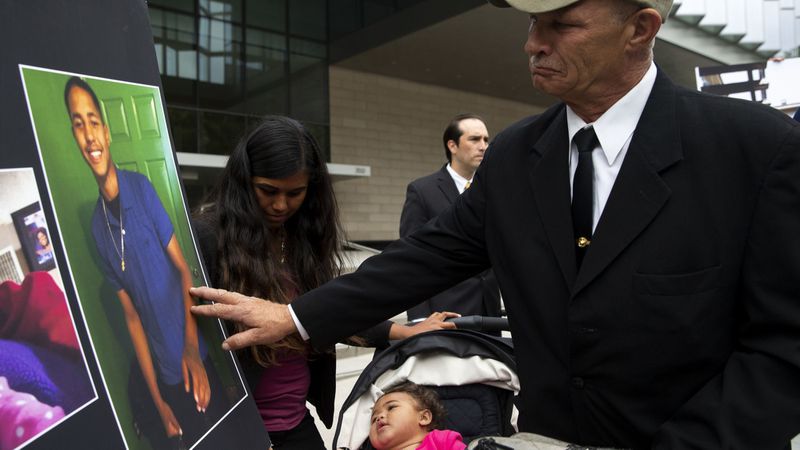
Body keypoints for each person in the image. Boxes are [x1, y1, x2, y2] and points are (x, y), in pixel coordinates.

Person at [191, 0, 800, 446]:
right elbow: (424, 257)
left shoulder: (754, 150)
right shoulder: (513, 158)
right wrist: (293, 317)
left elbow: (782, 346)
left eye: (561, 23)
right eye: (530, 24)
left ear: (640, 28)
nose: (533, 43)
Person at [192, 115, 457, 450]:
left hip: (297, 419)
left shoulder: (302, 236)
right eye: (267, 190)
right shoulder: (207, 236)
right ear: (244, 180)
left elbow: (324, 309)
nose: (280, 205)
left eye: (295, 193)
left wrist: (402, 331)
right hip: (238, 424)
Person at [64, 76, 226, 448]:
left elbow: (183, 269)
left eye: (93, 122)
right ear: (76, 138)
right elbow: (132, 318)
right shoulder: (96, 228)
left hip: (195, 354)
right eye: (78, 124)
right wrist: (158, 403)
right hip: (166, 376)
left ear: (105, 133)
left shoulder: (142, 189)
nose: (88, 135)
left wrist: (190, 350)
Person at [400, 114, 501, 323]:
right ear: (452, 146)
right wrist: (419, 320)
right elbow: (411, 259)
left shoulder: (495, 190)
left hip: (489, 311)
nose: (483, 146)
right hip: (444, 313)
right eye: (474, 139)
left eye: (485, 139)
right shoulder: (422, 191)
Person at [369, 382, 465, 450]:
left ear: (424, 418)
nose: (379, 417)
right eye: (373, 419)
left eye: (391, 408)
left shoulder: (441, 441)